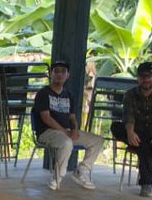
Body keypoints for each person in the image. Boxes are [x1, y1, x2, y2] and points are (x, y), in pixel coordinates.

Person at [31, 60, 104, 191]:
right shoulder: (43, 93)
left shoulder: (69, 95)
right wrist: (66, 132)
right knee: (66, 142)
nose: (59, 74)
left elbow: (72, 117)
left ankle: (81, 172)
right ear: (51, 74)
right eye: (56, 71)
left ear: (67, 75)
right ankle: (57, 178)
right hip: (47, 132)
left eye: (63, 72)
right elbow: (46, 118)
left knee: (97, 140)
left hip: (67, 131)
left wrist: (75, 129)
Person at [115, 61, 152, 197]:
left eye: (149, 76)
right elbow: (128, 116)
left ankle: (146, 183)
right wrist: (130, 133)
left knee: (145, 143)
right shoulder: (130, 94)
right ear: (138, 78)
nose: (146, 79)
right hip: (138, 131)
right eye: (142, 77)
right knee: (116, 127)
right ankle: (147, 182)